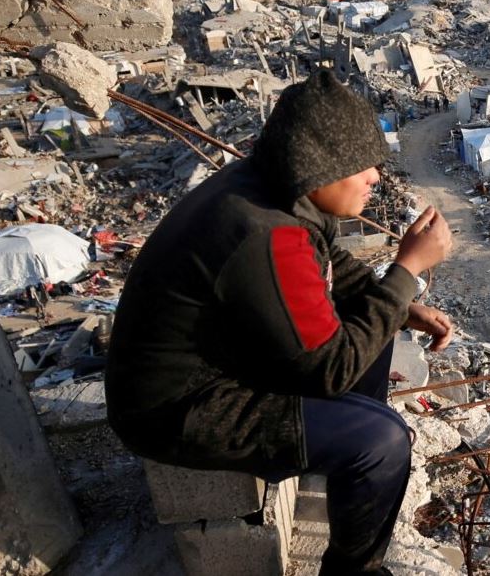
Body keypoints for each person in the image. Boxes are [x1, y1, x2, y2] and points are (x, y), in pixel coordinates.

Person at [105, 70, 454, 576]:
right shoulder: (267, 234)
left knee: (370, 327)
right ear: (319, 168)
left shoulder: (274, 186)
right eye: (360, 166)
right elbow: (329, 369)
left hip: (214, 362)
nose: (375, 177)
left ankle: (341, 447)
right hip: (177, 409)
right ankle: (354, 567)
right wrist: (405, 272)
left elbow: (331, 258)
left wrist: (399, 306)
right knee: (383, 442)